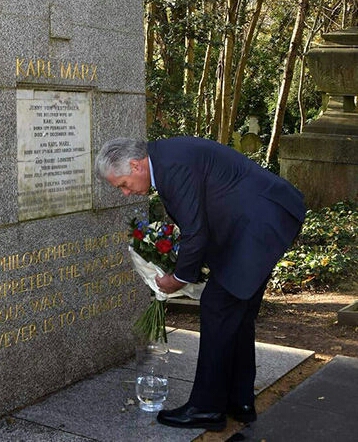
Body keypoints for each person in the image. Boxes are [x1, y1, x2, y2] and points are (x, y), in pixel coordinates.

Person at [95, 136, 306, 432]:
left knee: (217, 307)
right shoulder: (165, 158)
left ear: (135, 165)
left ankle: (207, 409)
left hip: (258, 224)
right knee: (237, 312)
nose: (126, 192)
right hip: (264, 218)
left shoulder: (170, 166)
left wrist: (178, 278)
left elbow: (195, 230)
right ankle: (239, 400)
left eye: (123, 184)